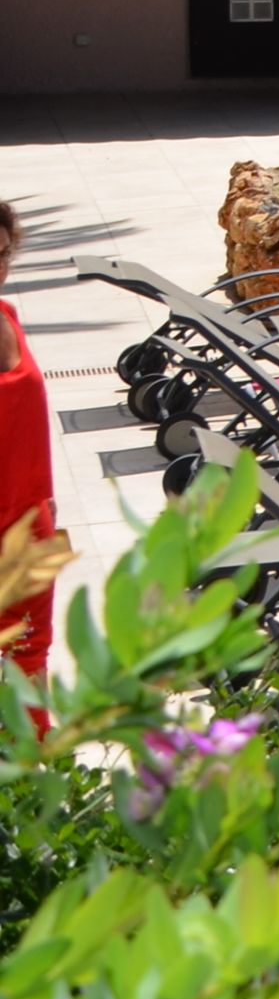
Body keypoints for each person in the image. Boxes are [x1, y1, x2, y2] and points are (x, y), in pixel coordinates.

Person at [0, 201, 56, 678]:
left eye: (1, 253)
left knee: (32, 650)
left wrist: (48, 501)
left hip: (32, 520)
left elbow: (28, 419)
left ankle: (38, 752)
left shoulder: (6, 313)